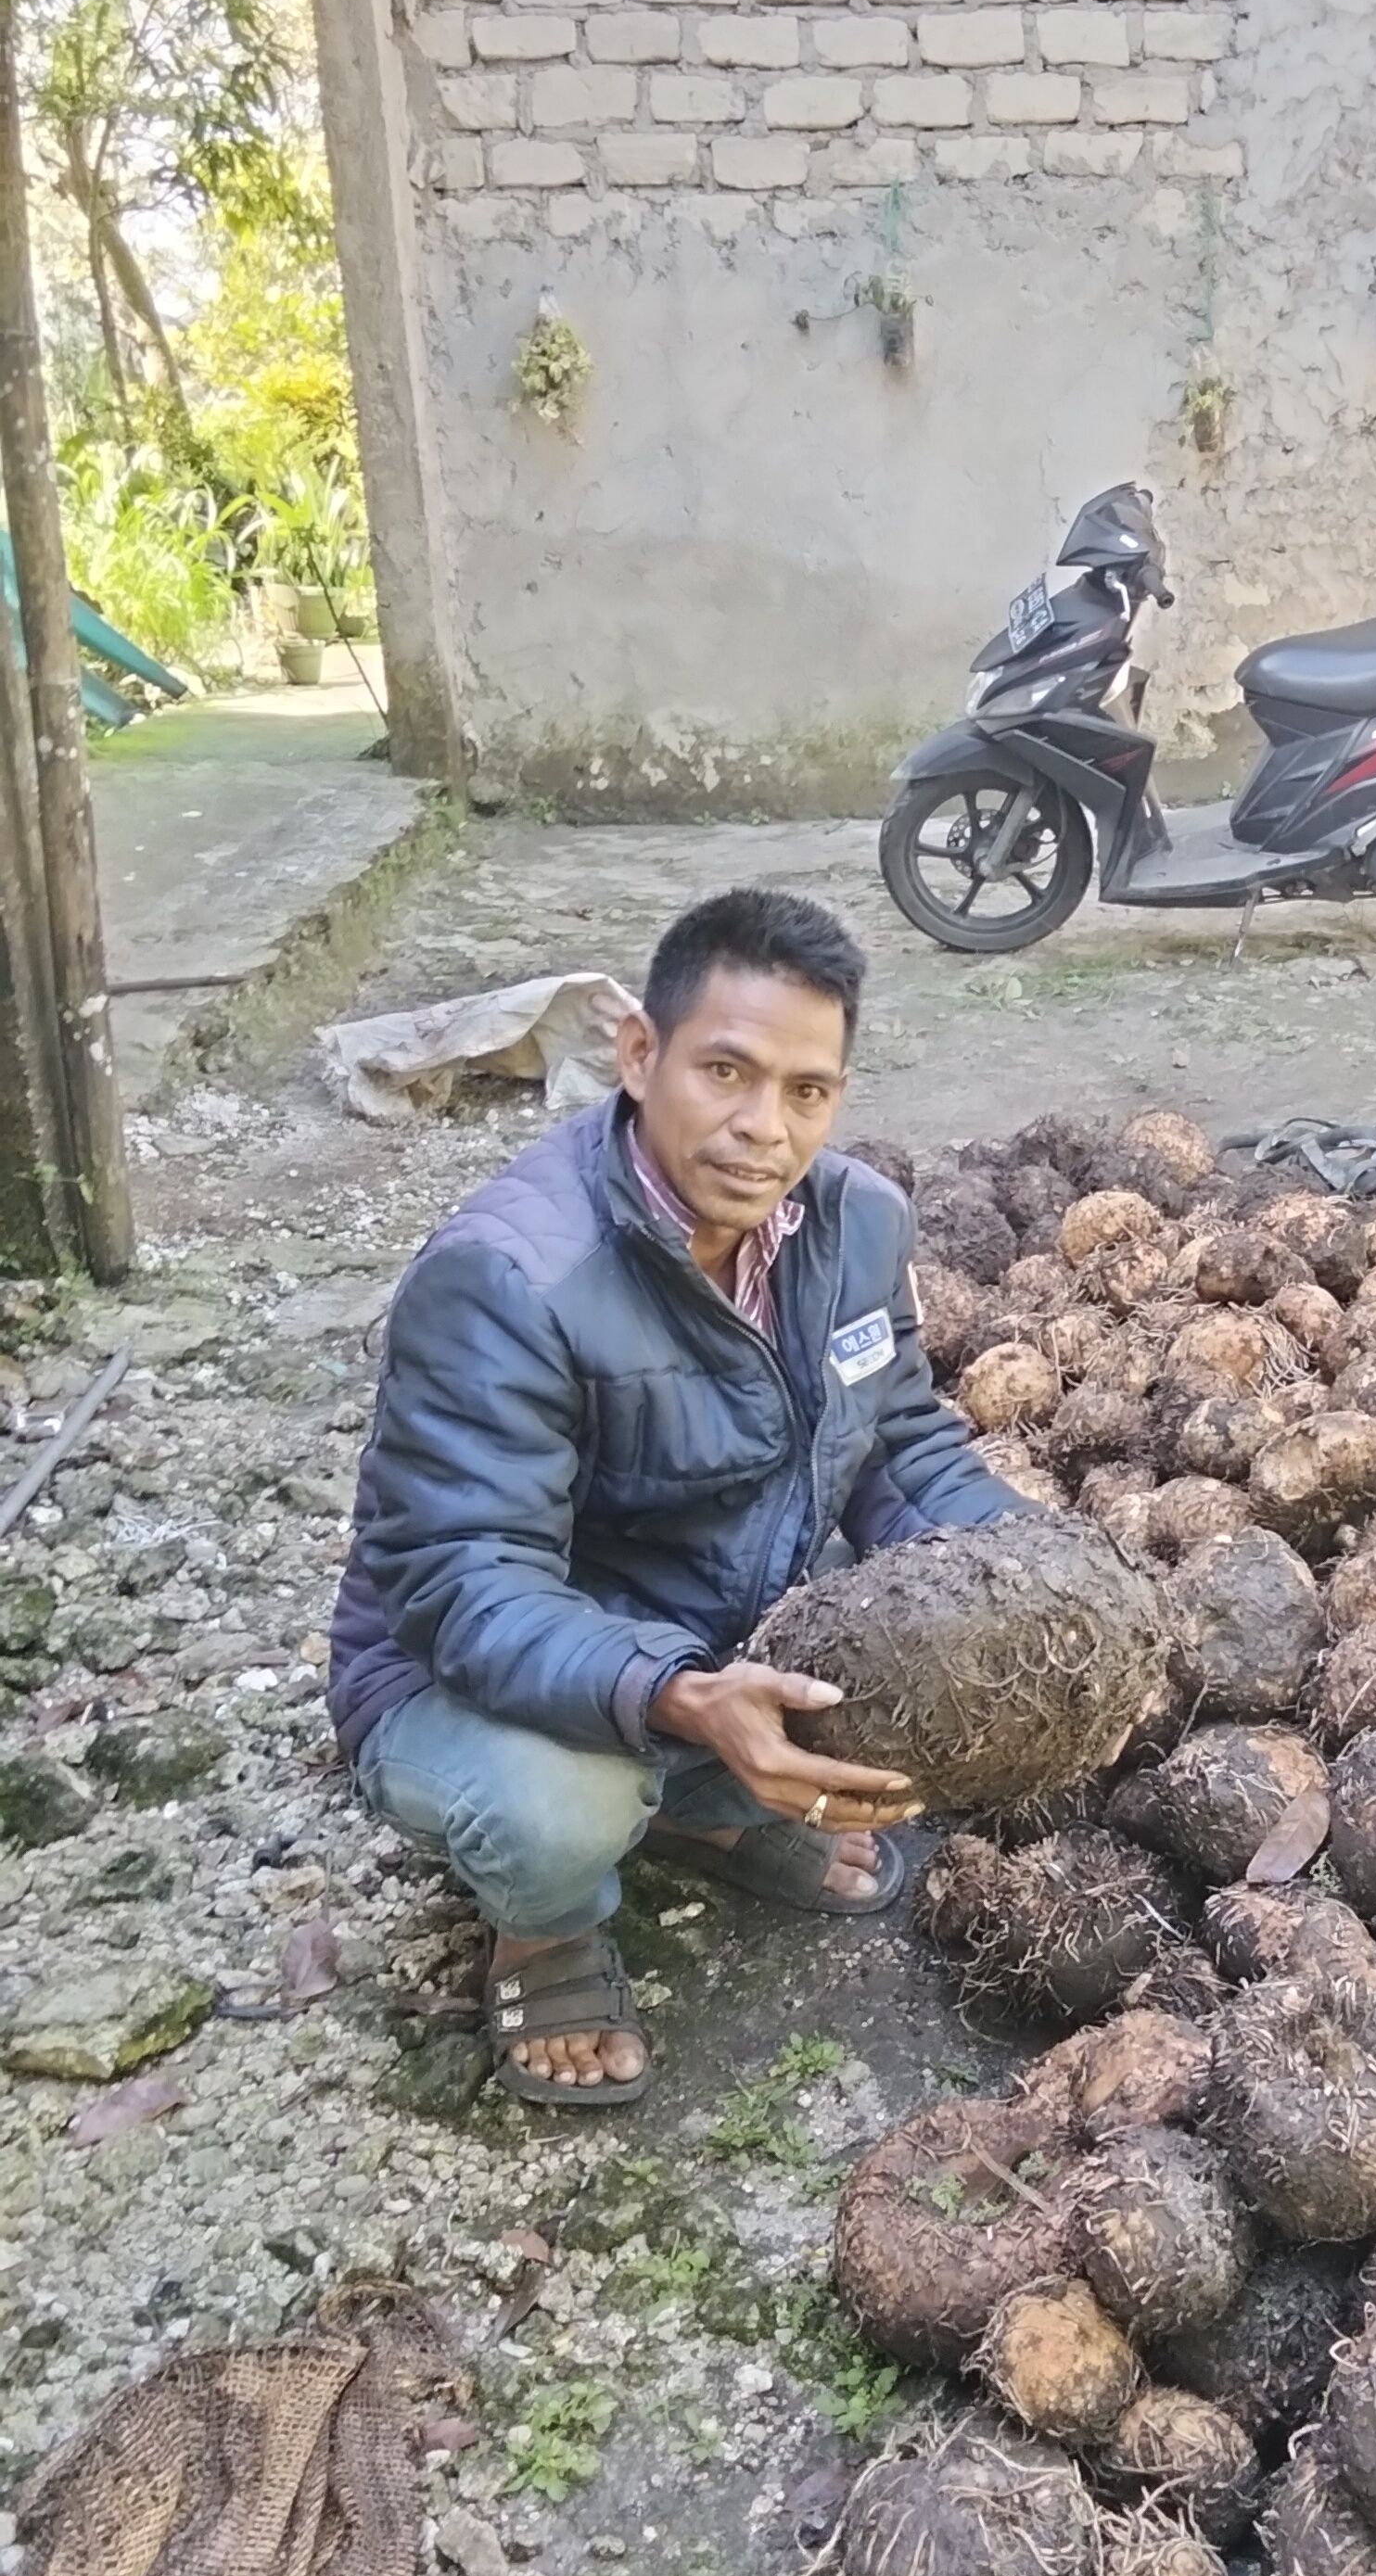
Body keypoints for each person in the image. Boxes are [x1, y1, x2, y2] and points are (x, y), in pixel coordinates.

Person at [326, 887, 1025, 2108]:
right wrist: (687, 1700)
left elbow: (898, 1444)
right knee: (560, 1809)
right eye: (727, 1071)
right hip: (468, 1675)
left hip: (712, 1638)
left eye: (807, 1090)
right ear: (639, 1056)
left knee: (915, 1674)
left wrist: (1043, 1586)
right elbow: (468, 1587)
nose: (765, 1127)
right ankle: (544, 1932)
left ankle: (700, 1812)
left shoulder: (856, 1223)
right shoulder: (507, 1276)